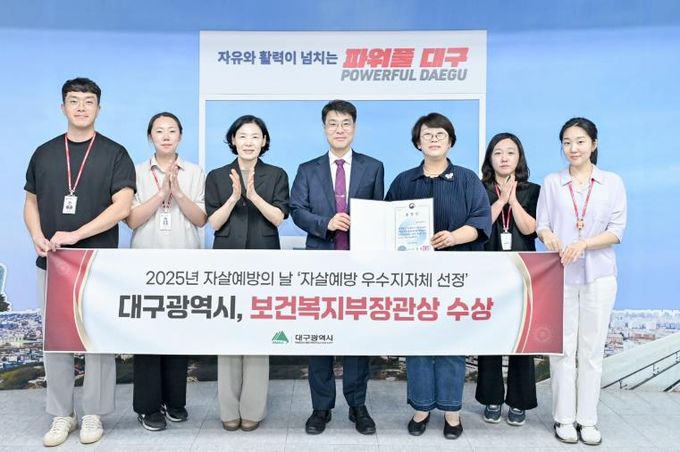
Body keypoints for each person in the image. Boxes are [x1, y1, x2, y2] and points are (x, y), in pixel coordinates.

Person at [23, 77, 136, 446]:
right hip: (53, 261)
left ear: (99, 109)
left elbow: (122, 207)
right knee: (56, 340)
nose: (81, 107)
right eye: (74, 101)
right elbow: (31, 202)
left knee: (96, 338)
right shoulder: (44, 153)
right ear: (63, 108)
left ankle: (93, 414)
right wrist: (36, 234)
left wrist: (76, 234)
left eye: (89, 101)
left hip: (97, 262)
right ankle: (61, 414)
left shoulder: (115, 153)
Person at [385, 112, 491, 440]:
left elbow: (481, 221)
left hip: (455, 275)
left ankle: (451, 411)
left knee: (451, 343)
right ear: (418, 143)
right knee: (417, 341)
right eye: (427, 135)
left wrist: (454, 237)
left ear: (450, 141)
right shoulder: (403, 181)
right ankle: (420, 408)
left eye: (440, 134)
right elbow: (386, 224)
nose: (433, 139)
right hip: (414, 278)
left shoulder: (467, 179)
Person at [290, 100, 384, 435]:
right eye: (333, 123)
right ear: (324, 128)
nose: (339, 129)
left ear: (354, 128)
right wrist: (325, 223)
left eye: (345, 123)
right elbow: (297, 210)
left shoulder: (373, 167)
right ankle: (321, 407)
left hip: (360, 266)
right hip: (320, 264)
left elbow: (379, 211)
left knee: (358, 336)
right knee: (319, 336)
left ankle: (357, 405)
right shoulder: (307, 169)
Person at [537, 117, 626, 446]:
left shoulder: (612, 182)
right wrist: (548, 236)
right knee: (562, 349)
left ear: (594, 144)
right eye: (566, 142)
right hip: (559, 275)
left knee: (591, 352)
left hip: (599, 276)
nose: (573, 148)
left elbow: (617, 231)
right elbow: (542, 224)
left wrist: (584, 244)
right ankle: (563, 418)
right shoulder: (552, 182)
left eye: (579, 141)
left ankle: (587, 420)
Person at [205, 114, 289, 432]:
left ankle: (252, 408)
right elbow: (214, 222)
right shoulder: (217, 176)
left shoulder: (276, 174)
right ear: (233, 140)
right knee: (227, 332)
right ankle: (229, 408)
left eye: (255, 136)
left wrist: (253, 195)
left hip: (263, 261)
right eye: (243, 136)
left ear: (264, 141)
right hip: (227, 260)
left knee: (257, 332)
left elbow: (279, 217)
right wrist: (233, 197)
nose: (249, 142)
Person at [126, 112, 207, 431]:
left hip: (184, 262)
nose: (166, 136)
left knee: (178, 334)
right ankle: (148, 407)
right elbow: (132, 219)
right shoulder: (136, 172)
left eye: (172, 130)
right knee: (146, 336)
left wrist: (178, 192)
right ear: (150, 137)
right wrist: (161, 194)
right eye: (159, 131)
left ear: (180, 137)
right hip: (145, 264)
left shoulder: (195, 172)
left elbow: (200, 219)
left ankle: (175, 401)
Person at [474, 132, 540, 426]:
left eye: (510, 152)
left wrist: (514, 200)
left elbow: (530, 229)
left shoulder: (533, 190)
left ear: (519, 157)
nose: (504, 158)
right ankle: (491, 398)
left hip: (523, 271)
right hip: (487, 272)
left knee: (522, 337)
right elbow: (480, 226)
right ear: (490, 158)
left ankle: (519, 401)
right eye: (498, 152)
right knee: (490, 335)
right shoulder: (478, 188)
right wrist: (501, 201)